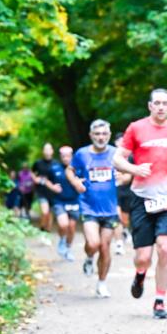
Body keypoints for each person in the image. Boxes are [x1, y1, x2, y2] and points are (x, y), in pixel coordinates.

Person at [113, 89, 167, 319]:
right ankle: (140, 274)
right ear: (150, 106)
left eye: (165, 103)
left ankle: (159, 300)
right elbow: (117, 158)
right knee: (143, 257)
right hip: (141, 199)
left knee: (165, 248)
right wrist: (134, 169)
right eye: (156, 103)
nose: (160, 107)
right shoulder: (136, 128)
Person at [67, 120, 120, 298]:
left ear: (109, 135)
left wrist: (124, 178)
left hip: (110, 208)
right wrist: (75, 182)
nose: (101, 137)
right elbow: (70, 170)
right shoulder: (82, 154)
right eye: (97, 134)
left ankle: (102, 283)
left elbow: (128, 172)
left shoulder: (116, 153)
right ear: (91, 135)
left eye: (104, 134)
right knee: (94, 244)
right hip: (88, 206)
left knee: (105, 247)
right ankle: (89, 258)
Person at [50, 146, 80, 261]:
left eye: (68, 156)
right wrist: (52, 187)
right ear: (60, 157)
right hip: (60, 201)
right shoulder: (54, 168)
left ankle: (68, 249)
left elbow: (85, 181)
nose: (66, 158)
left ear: (72, 156)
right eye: (63, 156)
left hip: (74, 201)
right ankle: (62, 240)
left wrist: (79, 183)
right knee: (63, 225)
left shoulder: (77, 168)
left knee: (72, 227)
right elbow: (46, 180)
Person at [113, 133, 134, 256]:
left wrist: (121, 179)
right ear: (115, 143)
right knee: (117, 217)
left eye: (123, 141)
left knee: (125, 219)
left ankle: (125, 230)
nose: (121, 143)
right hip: (113, 191)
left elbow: (129, 176)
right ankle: (119, 244)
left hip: (126, 191)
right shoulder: (109, 156)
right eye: (119, 140)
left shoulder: (129, 156)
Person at [32, 143, 58, 232]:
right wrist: (35, 179)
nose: (47, 151)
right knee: (45, 212)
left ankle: (48, 230)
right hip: (41, 191)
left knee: (50, 213)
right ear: (43, 151)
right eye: (45, 149)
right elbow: (32, 173)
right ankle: (42, 227)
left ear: (52, 151)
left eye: (49, 149)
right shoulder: (38, 163)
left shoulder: (56, 164)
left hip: (52, 192)